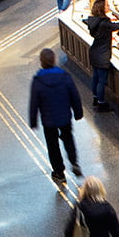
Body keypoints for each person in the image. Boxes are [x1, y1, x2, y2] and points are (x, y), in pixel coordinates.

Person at [28, 47, 84, 183]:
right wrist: (78, 112)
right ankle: (74, 162)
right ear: (54, 60)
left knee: (53, 146)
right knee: (68, 139)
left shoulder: (38, 81)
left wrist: (33, 121)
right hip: (65, 117)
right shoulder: (65, 76)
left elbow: (34, 102)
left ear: (41, 62)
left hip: (48, 121)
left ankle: (59, 172)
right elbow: (74, 95)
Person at [84, 0, 119, 111]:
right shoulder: (104, 23)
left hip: (94, 52)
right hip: (102, 55)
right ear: (101, 8)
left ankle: (95, 98)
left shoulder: (94, 21)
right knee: (102, 80)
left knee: (95, 77)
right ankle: (101, 104)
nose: (109, 6)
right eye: (107, 5)